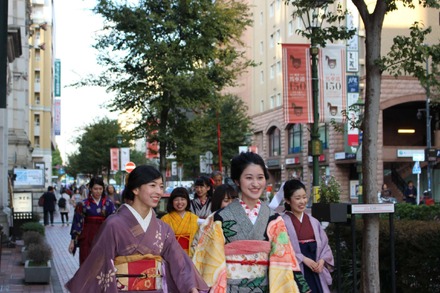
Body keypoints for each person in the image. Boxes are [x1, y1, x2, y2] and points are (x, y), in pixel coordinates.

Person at [65, 165, 209, 293]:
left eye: (161, 186)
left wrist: (190, 287)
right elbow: (99, 264)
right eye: (152, 185)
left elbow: (179, 262)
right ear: (135, 189)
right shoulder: (113, 225)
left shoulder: (162, 228)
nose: (158, 191)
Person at [193, 152, 310, 292]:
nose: (255, 183)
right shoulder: (219, 218)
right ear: (237, 180)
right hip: (230, 287)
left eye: (260, 178)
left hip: (265, 287)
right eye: (249, 178)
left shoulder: (274, 219)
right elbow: (209, 259)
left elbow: (285, 257)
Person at [282, 179, 334, 293]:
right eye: (297, 198)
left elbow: (325, 245)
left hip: (316, 269)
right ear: (287, 200)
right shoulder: (281, 222)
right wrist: (303, 259)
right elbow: (281, 249)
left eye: (304, 197)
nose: (302, 201)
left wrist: (322, 260)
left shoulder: (313, 221)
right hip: (296, 271)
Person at [68, 176, 116, 265]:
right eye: (95, 189)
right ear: (90, 189)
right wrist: (72, 241)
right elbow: (77, 222)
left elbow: (114, 222)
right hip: (87, 236)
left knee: (102, 264)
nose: (98, 191)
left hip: (103, 236)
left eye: (100, 189)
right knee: (86, 262)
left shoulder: (109, 204)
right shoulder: (83, 204)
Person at [161, 187, 199, 257]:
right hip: (171, 257)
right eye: (176, 200)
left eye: (182, 199)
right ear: (172, 202)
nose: (180, 202)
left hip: (192, 257)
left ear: (187, 201)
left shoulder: (195, 219)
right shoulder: (164, 219)